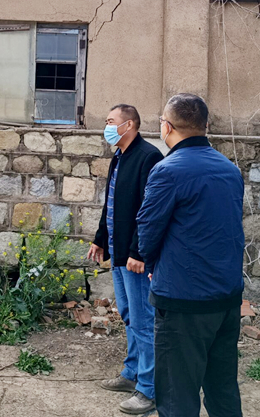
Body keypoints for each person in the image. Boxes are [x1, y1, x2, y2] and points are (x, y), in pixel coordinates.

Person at [137, 93, 244, 417]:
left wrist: (153, 265)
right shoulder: (230, 170)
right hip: (226, 298)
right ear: (205, 125)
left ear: (167, 127)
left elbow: (147, 231)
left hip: (183, 300)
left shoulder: (167, 171)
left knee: (177, 396)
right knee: (223, 390)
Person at [87, 104, 163, 415]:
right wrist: (100, 239)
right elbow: (112, 204)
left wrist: (138, 252)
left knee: (143, 321)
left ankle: (149, 389)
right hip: (118, 251)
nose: (106, 127)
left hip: (134, 257)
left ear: (129, 124)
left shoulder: (148, 157)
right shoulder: (119, 157)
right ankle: (131, 373)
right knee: (130, 316)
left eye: (110, 121)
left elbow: (149, 210)